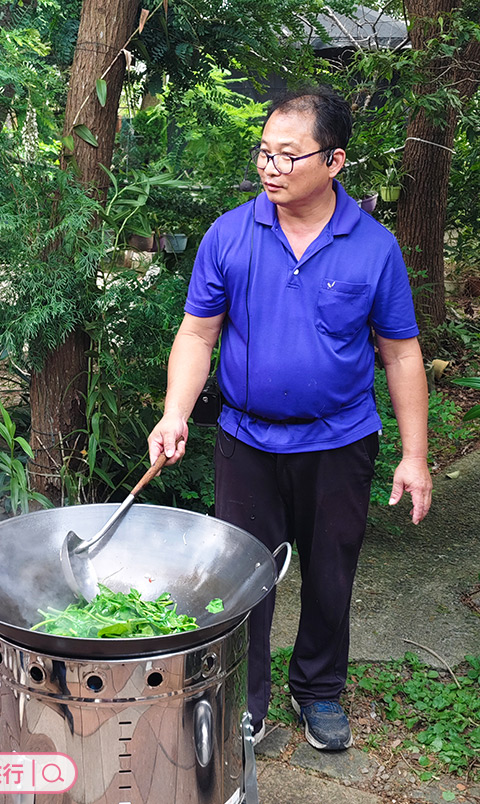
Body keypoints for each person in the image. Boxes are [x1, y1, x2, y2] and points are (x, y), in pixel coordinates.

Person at [147, 85, 432, 751]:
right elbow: (197, 335)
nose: (270, 167)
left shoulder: (374, 247)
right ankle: (241, 696)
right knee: (242, 576)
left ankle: (319, 690)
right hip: (246, 440)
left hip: (340, 441)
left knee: (331, 571)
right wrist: (175, 412)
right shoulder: (231, 233)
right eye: (264, 153)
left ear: (333, 162)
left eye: (287, 155)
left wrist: (413, 455)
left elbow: (401, 353)